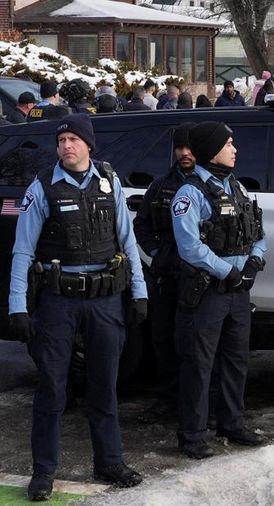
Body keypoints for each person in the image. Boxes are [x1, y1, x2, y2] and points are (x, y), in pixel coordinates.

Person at [7, 114, 147, 500]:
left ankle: (110, 461)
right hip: (58, 302)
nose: (66, 146)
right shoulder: (42, 188)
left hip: (104, 301)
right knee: (52, 388)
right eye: (61, 140)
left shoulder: (109, 181)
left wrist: (139, 294)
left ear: (89, 145)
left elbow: (127, 241)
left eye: (73, 139)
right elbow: (22, 250)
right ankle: (43, 472)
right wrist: (17, 306)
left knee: (105, 385)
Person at [171, 121, 266, 459]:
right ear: (212, 150)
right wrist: (229, 271)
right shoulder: (191, 192)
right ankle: (193, 434)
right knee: (199, 363)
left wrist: (254, 261)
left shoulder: (236, 187)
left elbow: (257, 232)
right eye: (228, 144)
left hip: (238, 290)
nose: (235, 150)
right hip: (208, 290)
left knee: (236, 360)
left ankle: (232, 422)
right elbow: (190, 247)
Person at [133, 123, 196, 424]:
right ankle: (167, 399)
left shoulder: (211, 184)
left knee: (195, 342)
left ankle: (196, 403)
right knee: (163, 338)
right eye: (179, 148)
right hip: (166, 276)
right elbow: (141, 224)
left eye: (190, 147)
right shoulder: (159, 185)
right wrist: (156, 252)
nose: (184, 153)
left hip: (198, 279)